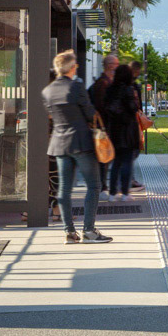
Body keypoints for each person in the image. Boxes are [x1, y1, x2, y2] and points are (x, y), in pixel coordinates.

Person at [42, 50, 112, 244]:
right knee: (94, 185)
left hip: (59, 144)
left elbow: (51, 115)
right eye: (76, 65)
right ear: (71, 68)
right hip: (81, 142)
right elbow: (90, 113)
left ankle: (69, 233)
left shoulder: (47, 91)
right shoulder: (76, 86)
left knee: (63, 190)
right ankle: (89, 231)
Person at [104, 64, 141, 201]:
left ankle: (113, 193)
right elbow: (133, 109)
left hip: (114, 130)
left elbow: (107, 108)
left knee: (116, 163)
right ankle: (125, 192)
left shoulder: (110, 90)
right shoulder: (129, 90)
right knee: (127, 162)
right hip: (128, 131)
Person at [89, 55, 119, 197]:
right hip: (104, 128)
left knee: (105, 157)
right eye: (116, 64)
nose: (117, 66)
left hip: (105, 127)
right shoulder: (103, 84)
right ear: (110, 65)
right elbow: (103, 107)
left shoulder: (105, 82)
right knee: (103, 157)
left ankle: (102, 186)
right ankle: (102, 187)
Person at [128, 60, 146, 191]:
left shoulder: (133, 85)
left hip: (132, 125)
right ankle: (128, 181)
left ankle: (129, 180)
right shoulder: (131, 86)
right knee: (131, 153)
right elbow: (134, 106)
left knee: (132, 153)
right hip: (131, 125)